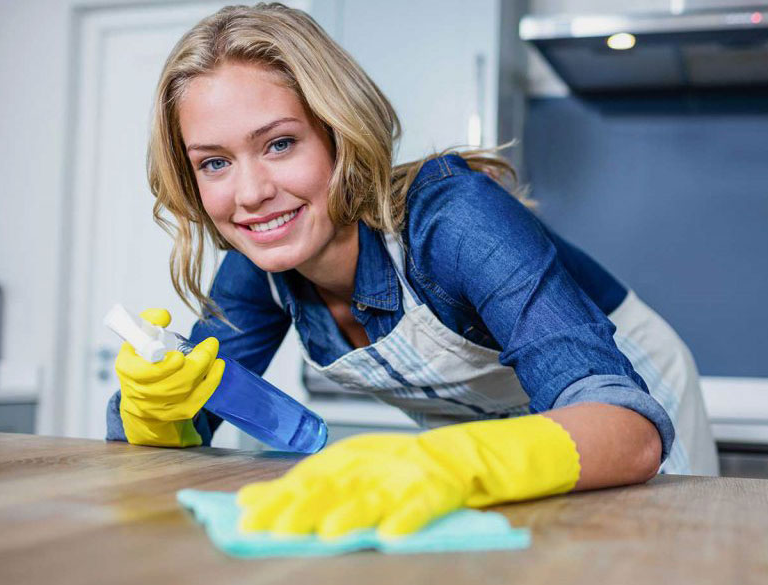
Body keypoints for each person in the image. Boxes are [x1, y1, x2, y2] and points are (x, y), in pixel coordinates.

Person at [103, 2, 718, 541]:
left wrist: (451, 462)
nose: (251, 194)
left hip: (618, 399)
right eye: (214, 163)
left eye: (280, 143)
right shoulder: (256, 270)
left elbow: (630, 432)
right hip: (489, 447)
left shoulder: (455, 220)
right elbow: (190, 427)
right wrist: (157, 409)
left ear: (339, 133)